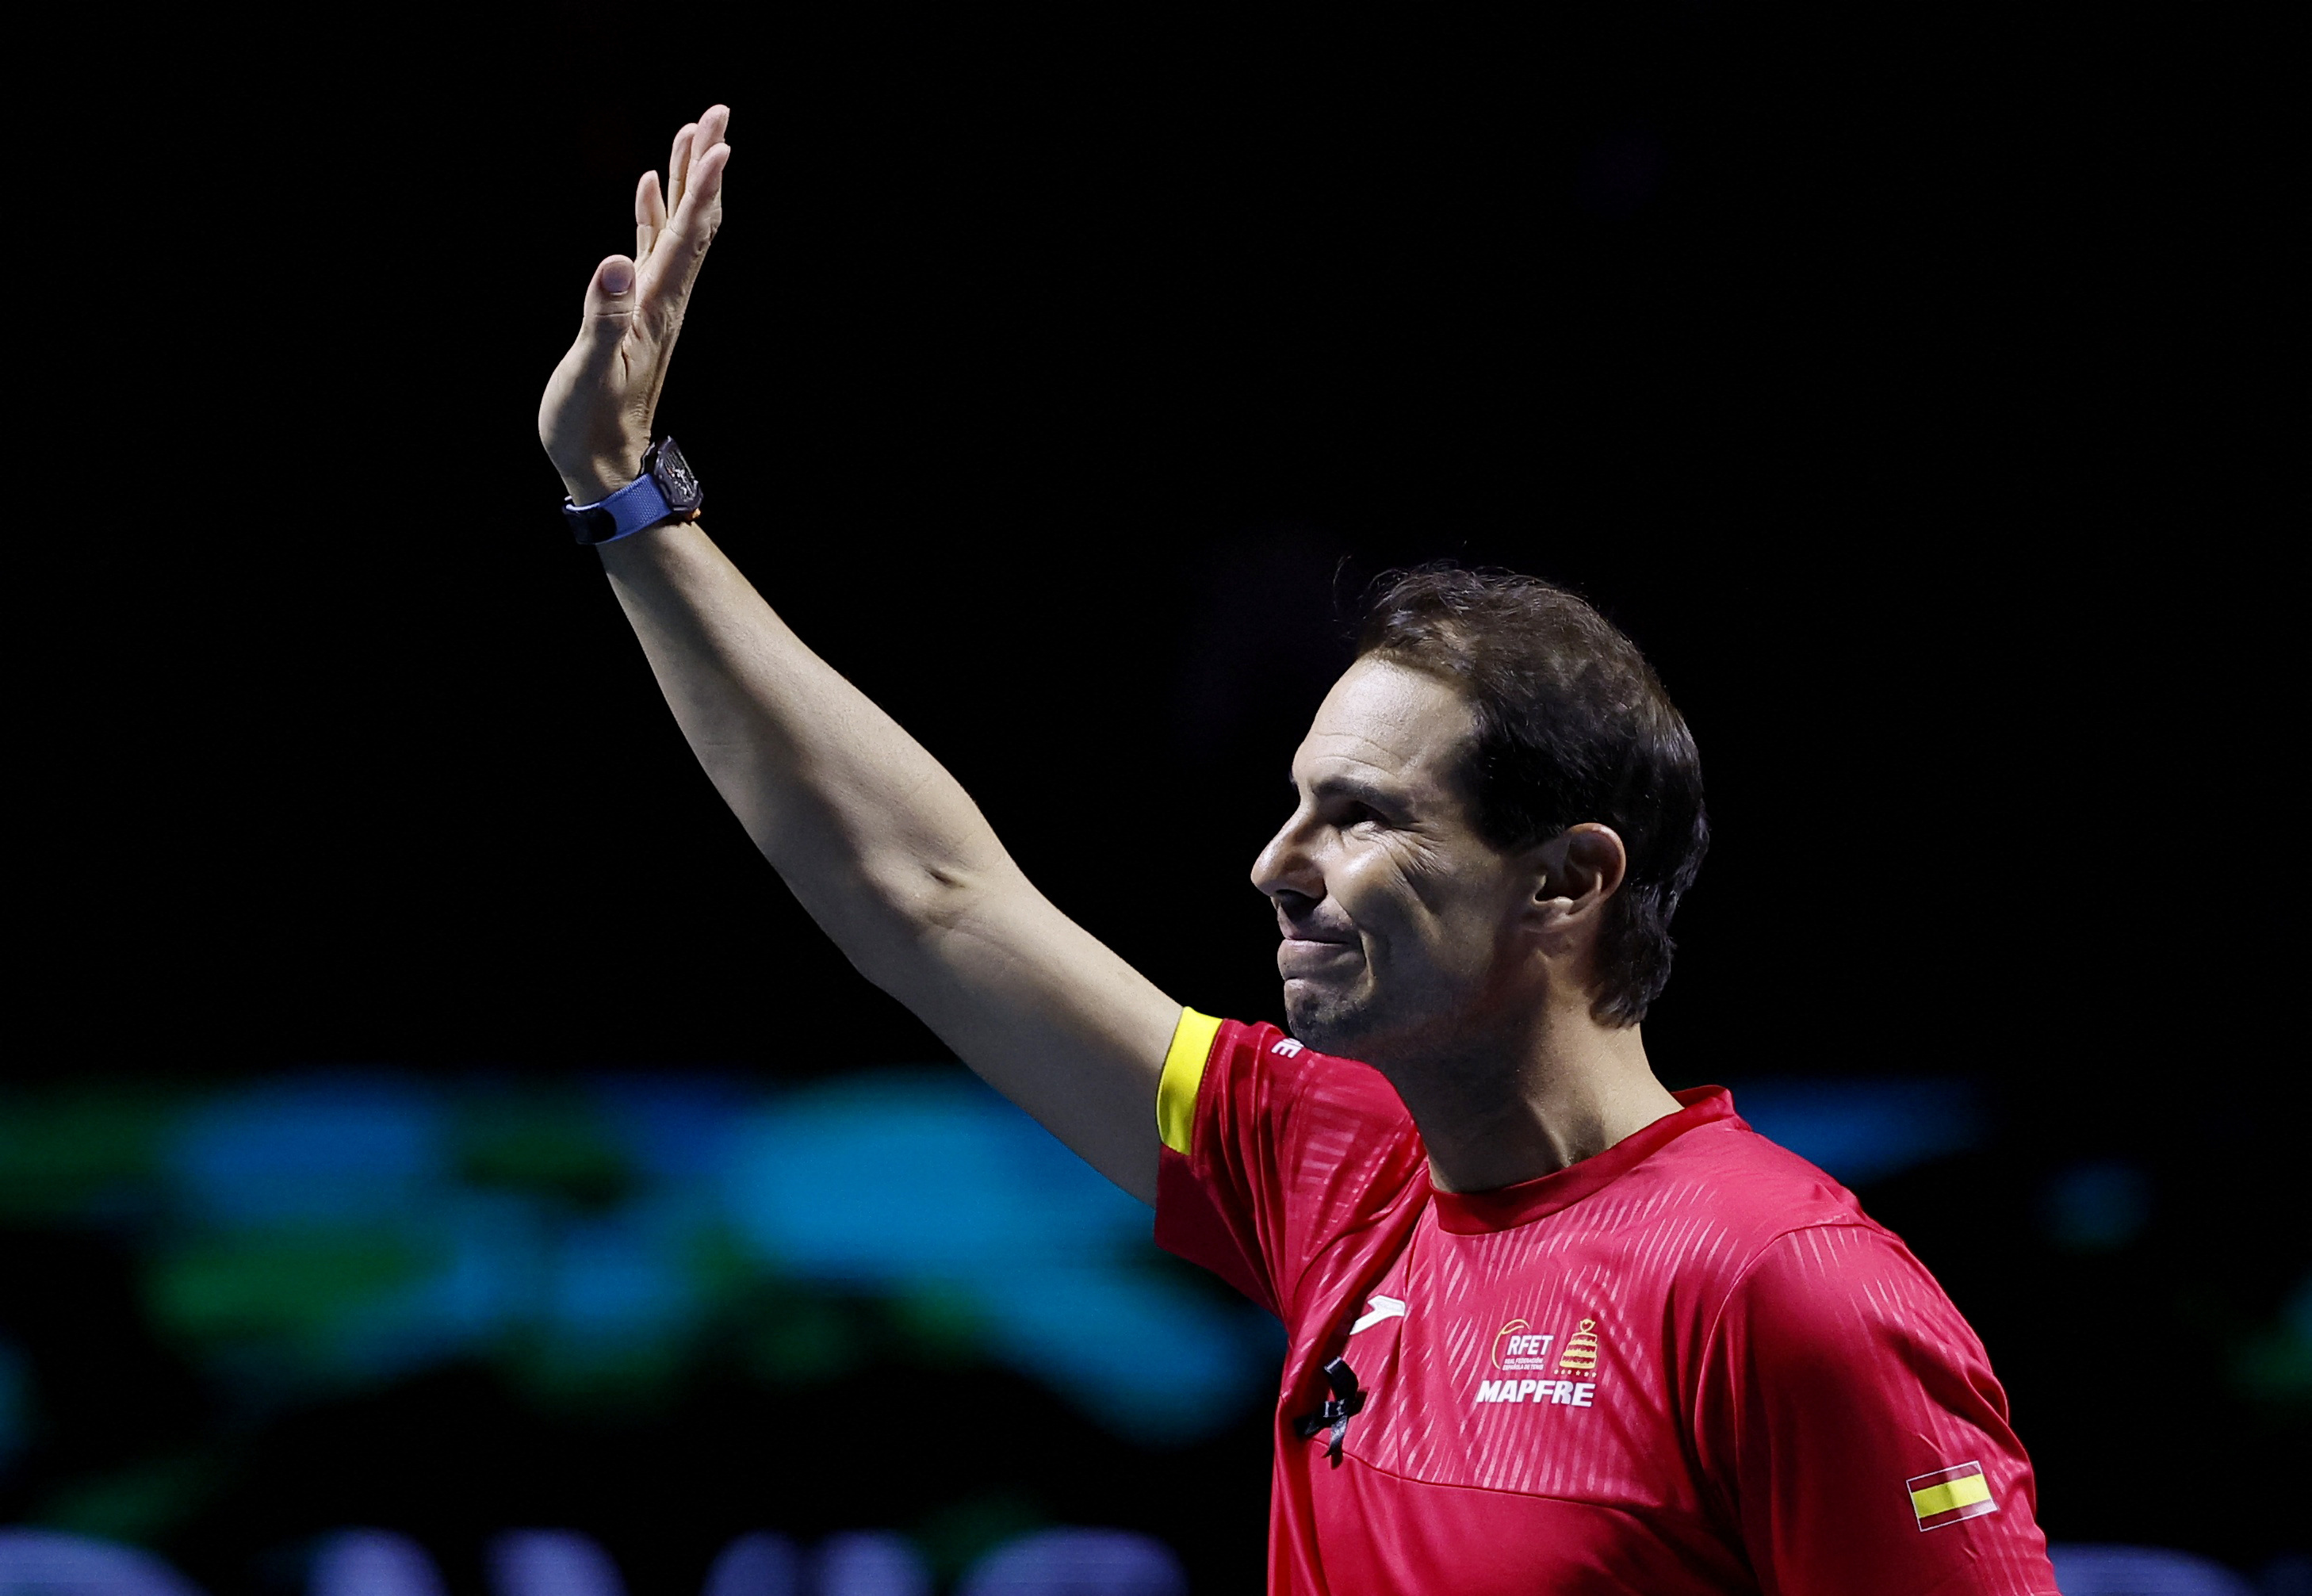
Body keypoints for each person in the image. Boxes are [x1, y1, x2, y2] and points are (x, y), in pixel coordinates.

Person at [536, 105, 2061, 1596]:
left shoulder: (1785, 1290)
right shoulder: (1336, 1171)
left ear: (1567, 878)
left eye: (1366, 814)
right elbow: (927, 896)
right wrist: (626, 501)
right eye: (1295, 800)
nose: (1277, 862)